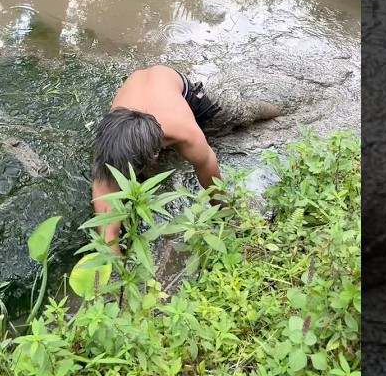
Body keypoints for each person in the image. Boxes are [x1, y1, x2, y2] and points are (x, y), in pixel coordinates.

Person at [89, 65, 279, 252]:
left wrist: (227, 217)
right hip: (132, 105)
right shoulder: (109, 144)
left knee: (239, 115)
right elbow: (108, 235)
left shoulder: (183, 131)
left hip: (182, 91)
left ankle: (278, 111)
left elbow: (208, 172)